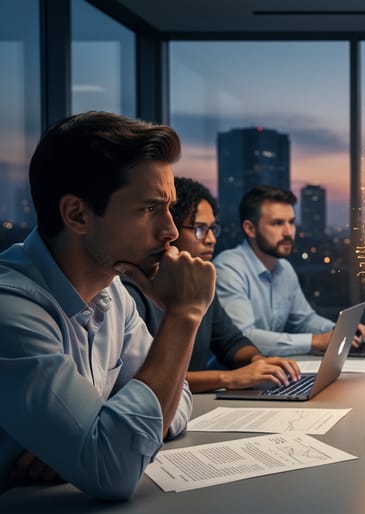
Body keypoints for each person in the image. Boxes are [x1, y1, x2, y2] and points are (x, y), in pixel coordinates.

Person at [0, 111, 215, 498]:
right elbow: (114, 469)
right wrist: (184, 314)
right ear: (77, 214)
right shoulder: (11, 311)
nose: (169, 230)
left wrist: (96, 431)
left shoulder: (113, 294)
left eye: (168, 208)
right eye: (149, 208)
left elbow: (178, 397)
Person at [124, 177, 300, 393]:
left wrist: (258, 361)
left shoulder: (199, 281)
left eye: (212, 229)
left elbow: (231, 342)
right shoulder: (132, 290)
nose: (210, 239)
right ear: (171, 231)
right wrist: (228, 378)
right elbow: (147, 379)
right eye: (199, 229)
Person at [214, 185, 365, 355]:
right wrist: (317, 341)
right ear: (250, 229)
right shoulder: (228, 269)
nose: (288, 232)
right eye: (277, 223)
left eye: (291, 222)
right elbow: (243, 338)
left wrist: (338, 330)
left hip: (274, 370)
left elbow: (304, 320)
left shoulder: (284, 269)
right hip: (238, 376)